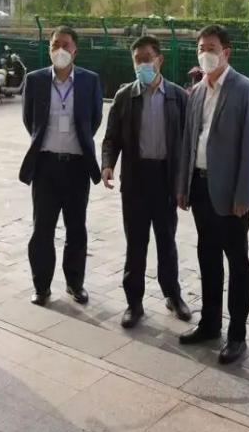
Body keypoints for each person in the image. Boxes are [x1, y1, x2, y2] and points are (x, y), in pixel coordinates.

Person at [176, 25, 249, 365]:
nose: (205, 53)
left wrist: (243, 194)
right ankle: (210, 324)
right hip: (200, 188)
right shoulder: (197, 91)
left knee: (237, 261)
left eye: (211, 48)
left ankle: (237, 335)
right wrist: (183, 186)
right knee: (208, 256)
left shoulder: (245, 90)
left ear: (226, 52)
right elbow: (189, 140)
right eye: (201, 48)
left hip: (231, 194)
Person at [101, 35, 192, 328]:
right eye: (137, 60)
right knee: (136, 243)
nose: (142, 64)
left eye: (147, 58)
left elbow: (189, 144)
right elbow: (111, 137)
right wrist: (107, 164)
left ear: (159, 60)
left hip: (166, 180)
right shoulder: (124, 97)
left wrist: (184, 184)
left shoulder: (178, 97)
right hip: (136, 181)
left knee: (167, 241)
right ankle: (134, 303)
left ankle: (173, 295)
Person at [20, 26, 103, 307]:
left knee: (76, 228)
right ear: (49, 48)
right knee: (42, 229)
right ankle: (41, 287)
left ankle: (75, 284)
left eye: (66, 45)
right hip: (45, 166)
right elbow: (30, 120)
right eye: (55, 44)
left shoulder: (90, 80)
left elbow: (94, 120)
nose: (60, 50)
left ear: (75, 50)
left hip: (77, 166)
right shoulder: (35, 80)